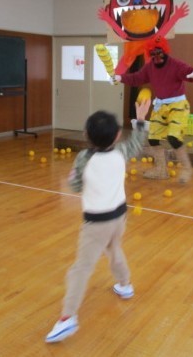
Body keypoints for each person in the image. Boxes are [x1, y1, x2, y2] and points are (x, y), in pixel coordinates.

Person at [45, 99, 151, 343]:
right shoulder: (121, 151)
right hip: (119, 216)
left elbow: (75, 185)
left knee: (81, 268)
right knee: (114, 249)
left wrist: (81, 180)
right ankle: (125, 284)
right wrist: (140, 120)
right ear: (117, 135)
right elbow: (137, 142)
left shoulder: (84, 158)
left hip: (96, 223)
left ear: (86, 135)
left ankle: (67, 317)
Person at [114, 36, 193, 183]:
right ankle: (161, 170)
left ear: (165, 51)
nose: (157, 57)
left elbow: (188, 72)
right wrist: (120, 78)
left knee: (173, 137)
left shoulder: (175, 64)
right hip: (160, 107)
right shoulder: (150, 67)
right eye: (153, 54)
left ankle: (187, 169)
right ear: (149, 54)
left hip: (178, 106)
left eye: (159, 53)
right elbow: (137, 78)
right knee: (153, 138)